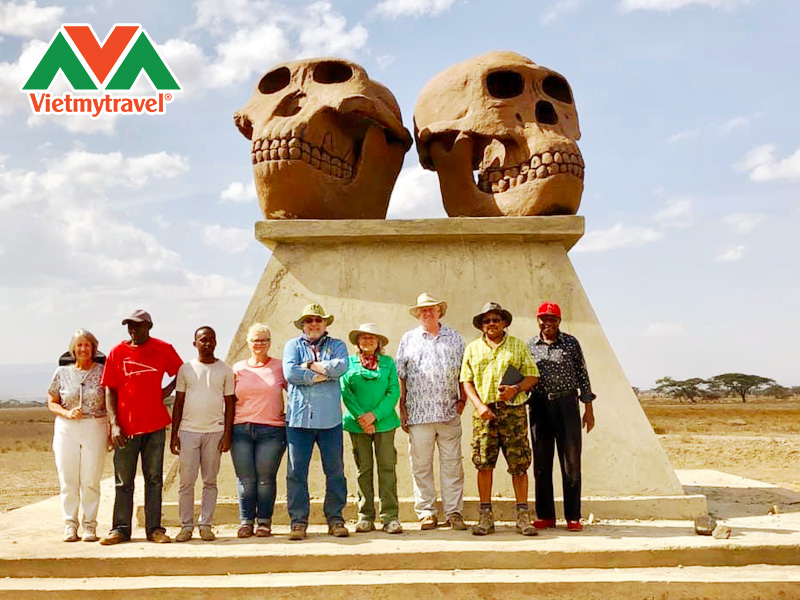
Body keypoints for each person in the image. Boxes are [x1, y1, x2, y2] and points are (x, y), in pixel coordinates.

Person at [99, 310, 183, 545]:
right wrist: (114, 424)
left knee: (154, 479)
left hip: (154, 425)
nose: (133, 330)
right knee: (123, 481)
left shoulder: (163, 349)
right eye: (130, 326)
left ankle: (155, 529)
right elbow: (109, 388)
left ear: (149, 327)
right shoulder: (117, 352)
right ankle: (120, 529)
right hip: (126, 428)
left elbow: (182, 372)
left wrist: (166, 391)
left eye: (138, 326)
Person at [460, 302, 539, 536]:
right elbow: (466, 381)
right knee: (484, 464)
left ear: (504, 323)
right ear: (481, 326)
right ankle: (485, 518)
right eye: (487, 321)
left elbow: (532, 375)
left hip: (513, 412)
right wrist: (479, 406)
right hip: (484, 413)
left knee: (519, 464)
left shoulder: (518, 346)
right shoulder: (472, 348)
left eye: (496, 319)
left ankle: (523, 517)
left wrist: (516, 389)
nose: (491, 324)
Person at [395, 293, 467, 531]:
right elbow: (401, 376)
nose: (427, 313)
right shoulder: (408, 339)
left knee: (452, 465)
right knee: (421, 465)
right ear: (418, 314)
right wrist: (402, 407)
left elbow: (464, 372)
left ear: (439, 312)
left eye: (431, 309)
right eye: (423, 310)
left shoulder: (454, 337)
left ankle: (454, 512)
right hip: (419, 413)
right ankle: (426, 512)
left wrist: (463, 398)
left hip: (448, 412)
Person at [527, 301, 596, 532]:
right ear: (538, 321)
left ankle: (573, 516)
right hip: (539, 406)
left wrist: (588, 409)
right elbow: (523, 376)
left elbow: (582, 375)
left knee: (571, 462)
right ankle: (546, 515)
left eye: (552, 318)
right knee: (542, 464)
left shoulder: (570, 343)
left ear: (559, 321)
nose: (548, 322)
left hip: (567, 405)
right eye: (544, 318)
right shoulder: (529, 345)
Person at [282, 303, 349, 540]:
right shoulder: (292, 346)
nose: (313, 324)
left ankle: (335, 519)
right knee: (296, 473)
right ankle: (298, 522)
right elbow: (290, 373)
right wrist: (321, 375)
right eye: (309, 320)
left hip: (330, 421)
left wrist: (308, 367)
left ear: (325, 323)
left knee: (335, 471)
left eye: (318, 320)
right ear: (303, 324)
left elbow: (342, 367)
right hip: (298, 421)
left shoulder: (337, 345)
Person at [170, 326, 235, 542]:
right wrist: (174, 434)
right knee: (186, 482)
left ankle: (206, 525)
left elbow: (230, 403)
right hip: (188, 432)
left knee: (210, 482)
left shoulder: (225, 370)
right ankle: (186, 526)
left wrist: (227, 434)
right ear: (195, 343)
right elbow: (178, 402)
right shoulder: (186, 369)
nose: (207, 343)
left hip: (214, 432)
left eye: (211, 339)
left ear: (216, 342)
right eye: (203, 340)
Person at [47, 329, 108, 542]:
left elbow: (112, 400)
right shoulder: (61, 372)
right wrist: (66, 413)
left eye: (87, 345)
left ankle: (90, 525)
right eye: (79, 345)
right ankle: (70, 525)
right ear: (73, 348)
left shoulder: (103, 372)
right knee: (68, 478)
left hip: (95, 425)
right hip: (67, 427)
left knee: (91, 478)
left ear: (93, 348)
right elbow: (52, 400)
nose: (83, 349)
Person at [340, 323, 402, 534]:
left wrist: (374, 416)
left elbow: (393, 392)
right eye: (363, 337)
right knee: (363, 469)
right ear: (358, 342)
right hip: (357, 425)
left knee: (387, 468)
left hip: (384, 423)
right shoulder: (349, 363)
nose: (367, 341)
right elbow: (345, 391)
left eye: (372, 338)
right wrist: (362, 418)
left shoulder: (388, 363)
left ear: (378, 343)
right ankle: (365, 516)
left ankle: (390, 517)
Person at [230, 323, 287, 538]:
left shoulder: (280, 367)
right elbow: (228, 399)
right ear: (248, 342)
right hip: (241, 430)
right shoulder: (237, 368)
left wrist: (291, 415)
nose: (259, 344)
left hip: (271, 430)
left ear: (270, 343)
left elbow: (296, 392)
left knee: (265, 479)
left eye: (264, 340)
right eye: (255, 340)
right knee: (245, 479)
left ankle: (264, 522)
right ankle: (245, 522)